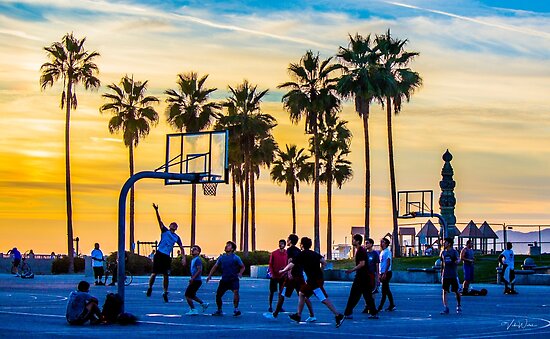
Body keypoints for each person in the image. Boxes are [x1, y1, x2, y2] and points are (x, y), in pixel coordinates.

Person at [281, 237, 345, 328]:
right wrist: (321, 270)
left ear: (302, 245)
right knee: (302, 293)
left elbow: (291, 265)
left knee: (322, 298)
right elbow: (324, 262)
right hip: (316, 279)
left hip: (314, 281)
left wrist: (283, 270)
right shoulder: (314, 254)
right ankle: (298, 315)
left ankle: (338, 315)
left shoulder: (301, 255)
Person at [263, 234, 315, 322]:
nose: (287, 241)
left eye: (288, 240)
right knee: (304, 295)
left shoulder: (290, 250)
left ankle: (275, 314)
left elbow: (290, 261)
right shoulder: (299, 251)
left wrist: (288, 272)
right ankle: (312, 315)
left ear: (290, 241)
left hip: (292, 277)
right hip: (299, 276)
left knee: (282, 294)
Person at [146, 203, 186, 302]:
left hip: (166, 256)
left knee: (166, 275)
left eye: (175, 225)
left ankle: (165, 292)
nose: (173, 225)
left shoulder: (176, 237)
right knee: (154, 273)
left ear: (176, 228)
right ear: (169, 226)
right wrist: (156, 210)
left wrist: (183, 257)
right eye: (172, 224)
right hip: (159, 254)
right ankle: (150, 287)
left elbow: (181, 247)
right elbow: (159, 220)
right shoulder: (165, 231)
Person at [206, 241, 245, 316]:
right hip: (224, 280)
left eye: (229, 245)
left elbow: (242, 266)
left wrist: (240, 273)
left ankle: (236, 309)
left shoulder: (235, 258)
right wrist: (209, 275)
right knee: (218, 295)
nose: (226, 246)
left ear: (232, 248)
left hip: (233, 279)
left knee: (236, 292)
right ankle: (219, 310)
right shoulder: (222, 257)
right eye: (226, 245)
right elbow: (215, 266)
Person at [344, 234, 378, 319]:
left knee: (354, 295)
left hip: (361, 277)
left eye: (354, 240)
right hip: (364, 277)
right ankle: (373, 313)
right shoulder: (360, 250)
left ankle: (348, 313)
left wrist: (352, 270)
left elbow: (362, 264)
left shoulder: (360, 251)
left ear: (358, 241)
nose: (353, 241)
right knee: (367, 295)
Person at [440, 237, 461, 314]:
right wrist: (441, 274)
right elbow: (442, 263)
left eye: (445, 242)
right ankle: (446, 307)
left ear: (449, 243)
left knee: (456, 291)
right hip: (445, 275)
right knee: (444, 291)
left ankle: (458, 305)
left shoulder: (454, 252)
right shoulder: (443, 253)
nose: (443, 243)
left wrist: (457, 261)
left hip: (453, 275)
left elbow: (458, 259)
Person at [185, 245, 209, 315]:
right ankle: (203, 304)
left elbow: (199, 270)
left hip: (196, 280)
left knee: (187, 295)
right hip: (195, 280)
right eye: (192, 249)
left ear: (198, 252)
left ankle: (193, 309)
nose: (192, 250)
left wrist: (193, 278)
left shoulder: (197, 260)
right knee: (191, 295)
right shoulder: (193, 260)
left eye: (195, 249)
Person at [267, 239, 288, 312]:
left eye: (282, 243)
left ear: (284, 245)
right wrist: (272, 273)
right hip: (274, 275)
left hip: (283, 276)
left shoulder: (287, 253)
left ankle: (280, 306)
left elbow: (288, 264)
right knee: (272, 291)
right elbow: (270, 264)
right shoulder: (274, 253)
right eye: (279, 243)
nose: (280, 245)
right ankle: (270, 306)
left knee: (282, 292)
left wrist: (286, 272)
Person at [378, 237, 396, 312]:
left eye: (383, 242)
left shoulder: (387, 252)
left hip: (387, 273)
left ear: (386, 244)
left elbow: (388, 263)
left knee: (384, 290)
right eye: (381, 242)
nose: (381, 244)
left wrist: (385, 273)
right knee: (386, 290)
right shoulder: (382, 252)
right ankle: (391, 305)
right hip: (382, 273)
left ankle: (380, 307)